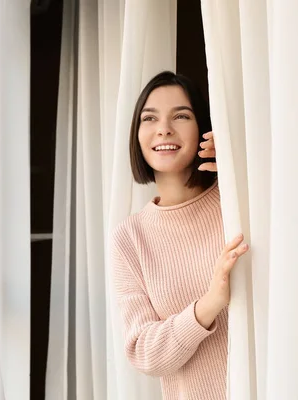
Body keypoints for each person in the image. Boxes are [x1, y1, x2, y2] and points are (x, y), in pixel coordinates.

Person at [110, 71, 249, 400]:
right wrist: (209, 304)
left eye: (181, 116)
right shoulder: (130, 238)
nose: (163, 128)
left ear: (203, 126)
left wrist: (245, 161)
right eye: (150, 117)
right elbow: (144, 353)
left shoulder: (241, 199)